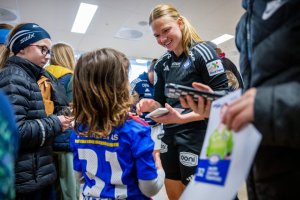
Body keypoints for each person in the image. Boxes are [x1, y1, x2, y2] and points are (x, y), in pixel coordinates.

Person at [182, 0, 300, 199]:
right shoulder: (245, 23)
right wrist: (220, 108)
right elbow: (254, 94)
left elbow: (264, 102)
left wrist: (268, 106)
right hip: (265, 175)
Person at [136, 4, 229, 199]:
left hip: (200, 135)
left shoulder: (204, 52)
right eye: (156, 35)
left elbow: (224, 103)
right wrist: (150, 105)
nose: (162, 39)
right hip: (170, 136)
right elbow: (160, 103)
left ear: (179, 23)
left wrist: (182, 119)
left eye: (166, 30)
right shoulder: (162, 63)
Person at [70, 48, 165, 199]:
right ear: (120, 86)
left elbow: (79, 177)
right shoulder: (136, 130)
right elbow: (149, 188)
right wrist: (159, 167)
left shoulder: (78, 129)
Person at [0, 23, 72, 199]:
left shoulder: (31, 77)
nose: (47, 56)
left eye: (49, 51)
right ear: (23, 47)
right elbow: (18, 131)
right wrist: (56, 122)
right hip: (26, 179)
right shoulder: (13, 77)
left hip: (37, 172)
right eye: (43, 49)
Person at [46, 42, 80, 200]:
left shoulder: (41, 74)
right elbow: (75, 110)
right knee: (69, 188)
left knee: (51, 188)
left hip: (46, 137)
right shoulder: (71, 77)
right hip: (66, 139)